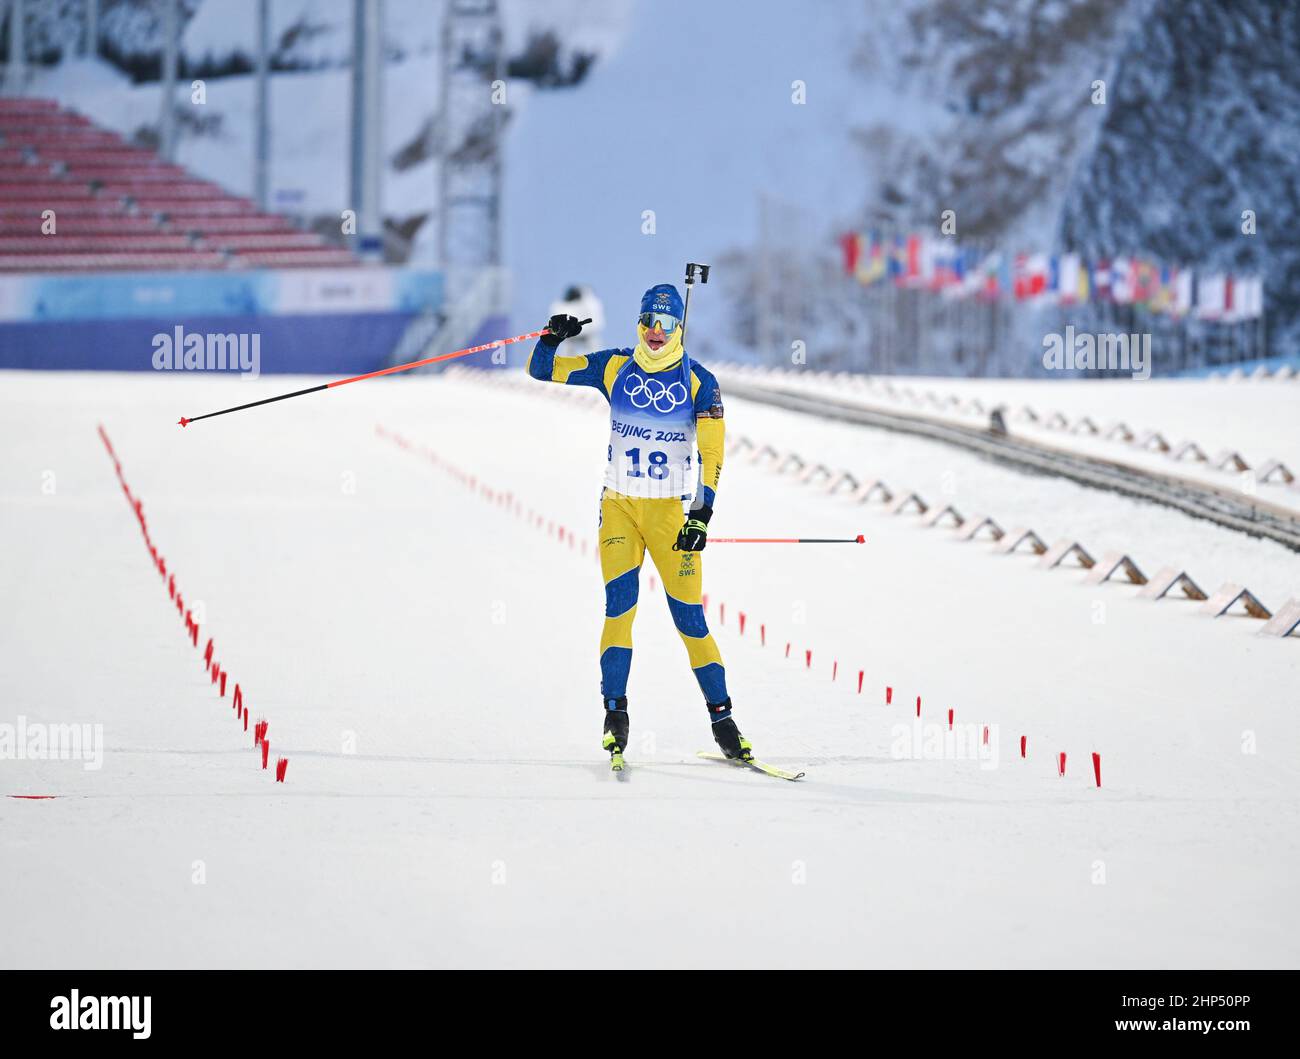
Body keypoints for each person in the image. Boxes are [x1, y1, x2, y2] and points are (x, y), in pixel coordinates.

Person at [526, 283, 752, 767]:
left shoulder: (700, 382)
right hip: (621, 509)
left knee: (690, 620)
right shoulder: (615, 366)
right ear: (639, 323)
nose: (656, 332)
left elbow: (712, 453)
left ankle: (723, 720)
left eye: (667, 324)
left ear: (679, 329)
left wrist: (702, 513)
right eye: (649, 321)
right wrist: (550, 338)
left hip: (671, 516)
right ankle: (615, 715)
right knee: (619, 609)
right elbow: (541, 371)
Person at [547, 284, 605, 356]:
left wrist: (579, 328)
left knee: (594, 349)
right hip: (570, 336)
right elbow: (555, 324)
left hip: (587, 335)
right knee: (567, 350)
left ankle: (596, 362)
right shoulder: (560, 306)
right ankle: (566, 363)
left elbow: (596, 323)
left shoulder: (590, 304)